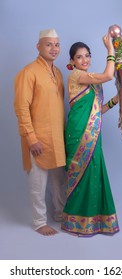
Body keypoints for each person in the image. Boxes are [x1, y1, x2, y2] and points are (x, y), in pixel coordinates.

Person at [61, 34, 120, 236]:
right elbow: (108, 75)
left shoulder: (93, 82)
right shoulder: (76, 75)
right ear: (72, 62)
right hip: (79, 133)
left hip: (94, 133)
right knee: (81, 173)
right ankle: (75, 221)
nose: (84, 60)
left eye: (87, 56)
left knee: (94, 170)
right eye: (79, 57)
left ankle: (93, 221)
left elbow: (98, 111)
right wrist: (110, 49)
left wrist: (115, 100)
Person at [14, 29, 66, 236]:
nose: (54, 49)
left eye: (57, 44)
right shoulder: (28, 72)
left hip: (57, 137)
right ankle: (38, 222)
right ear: (38, 47)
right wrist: (31, 138)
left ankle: (60, 213)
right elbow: (21, 107)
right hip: (37, 138)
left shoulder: (59, 73)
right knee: (38, 182)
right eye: (49, 44)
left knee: (58, 180)